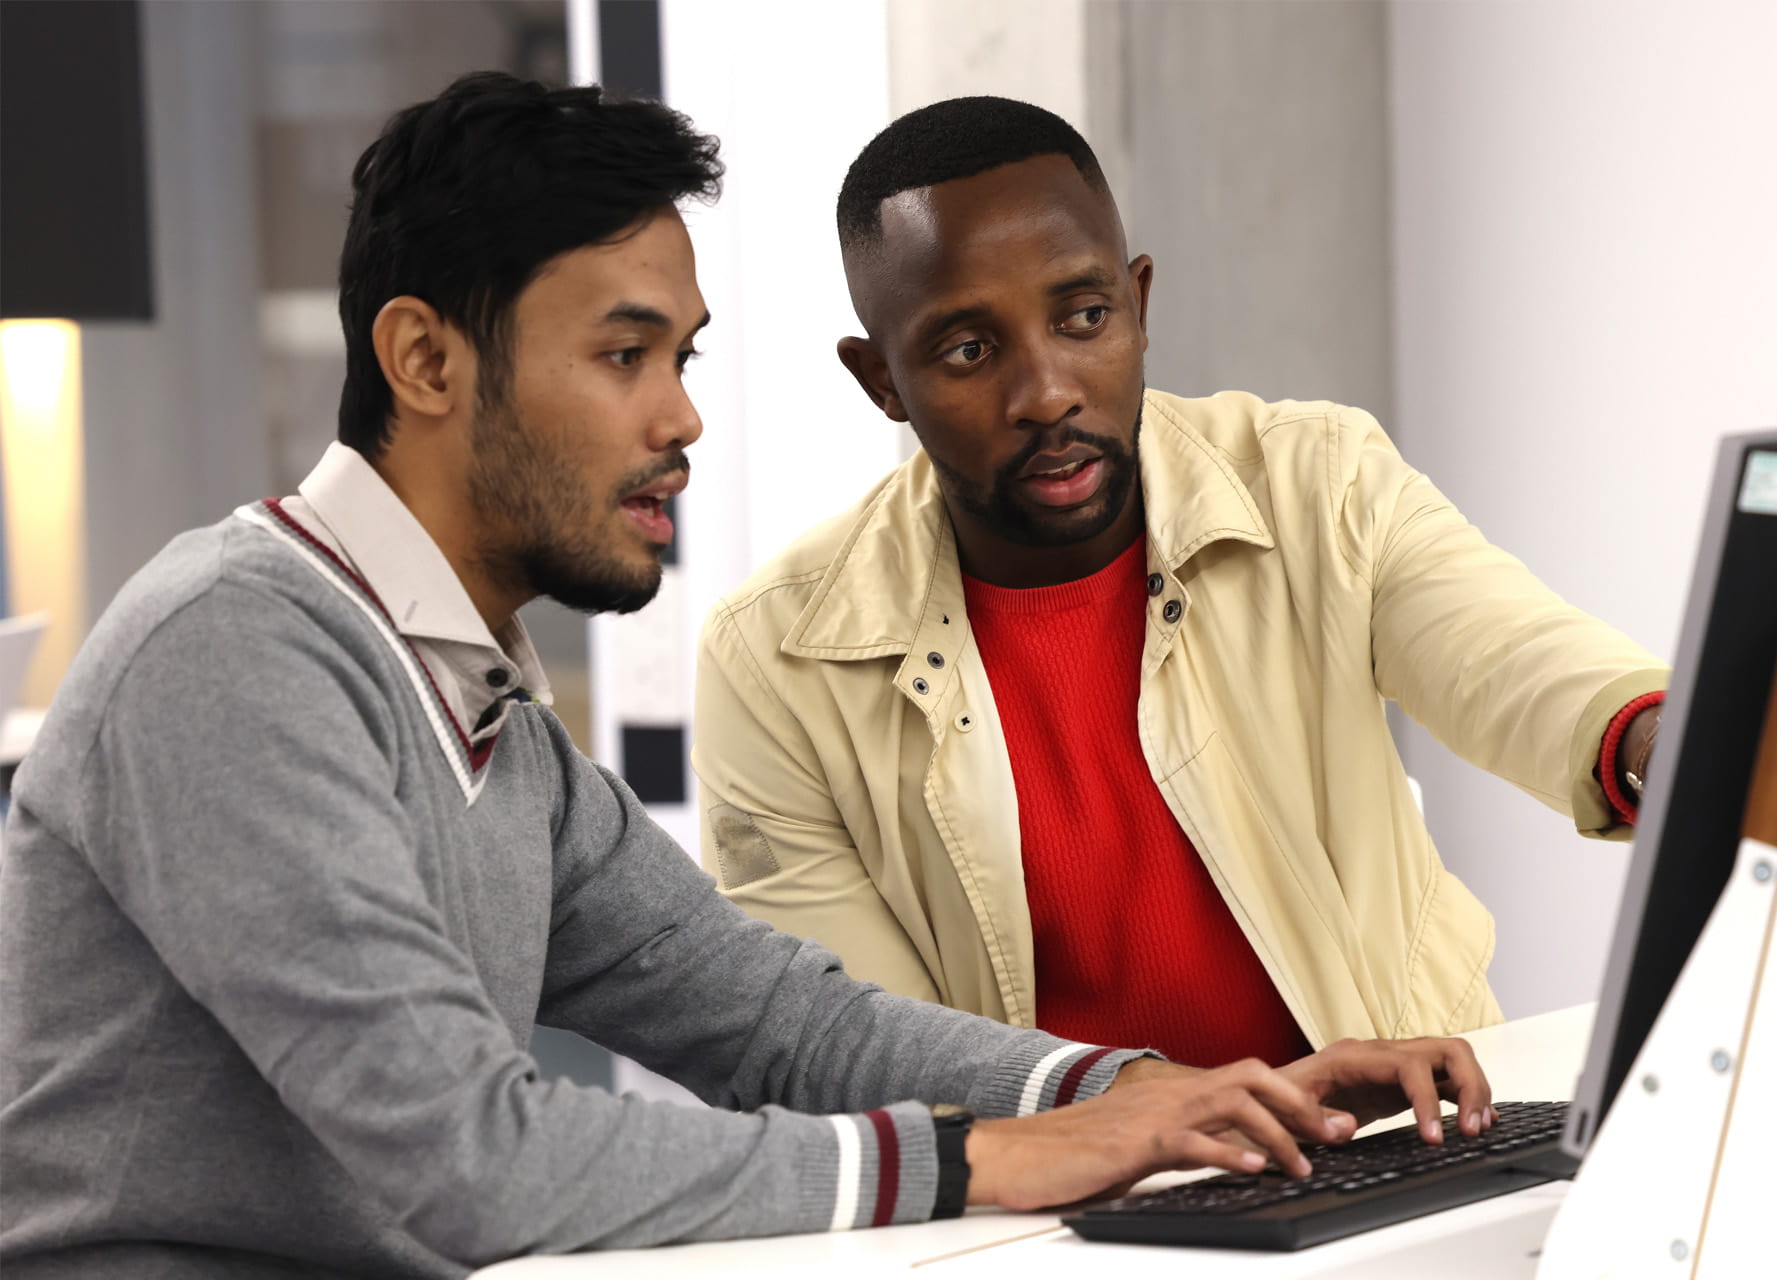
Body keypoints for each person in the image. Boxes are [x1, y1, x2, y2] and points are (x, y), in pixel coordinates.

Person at [0, 75, 1499, 1280]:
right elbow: (472, 1153)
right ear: (426, 360)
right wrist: (982, 1157)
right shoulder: (236, 646)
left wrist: (1140, 1094)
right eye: (626, 356)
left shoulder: (488, 715)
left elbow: (784, 1023)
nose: (683, 421)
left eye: (688, 359)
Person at [694, 96, 1669, 1069]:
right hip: (1058, 1203)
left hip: (1400, 1142)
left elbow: (1516, 659)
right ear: (882, 381)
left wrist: (1655, 740)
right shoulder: (775, 660)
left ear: (1140, 304)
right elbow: (856, 1048)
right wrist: (1159, 1115)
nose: (1048, 392)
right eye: (969, 349)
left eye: (1083, 316)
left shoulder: (1315, 481)